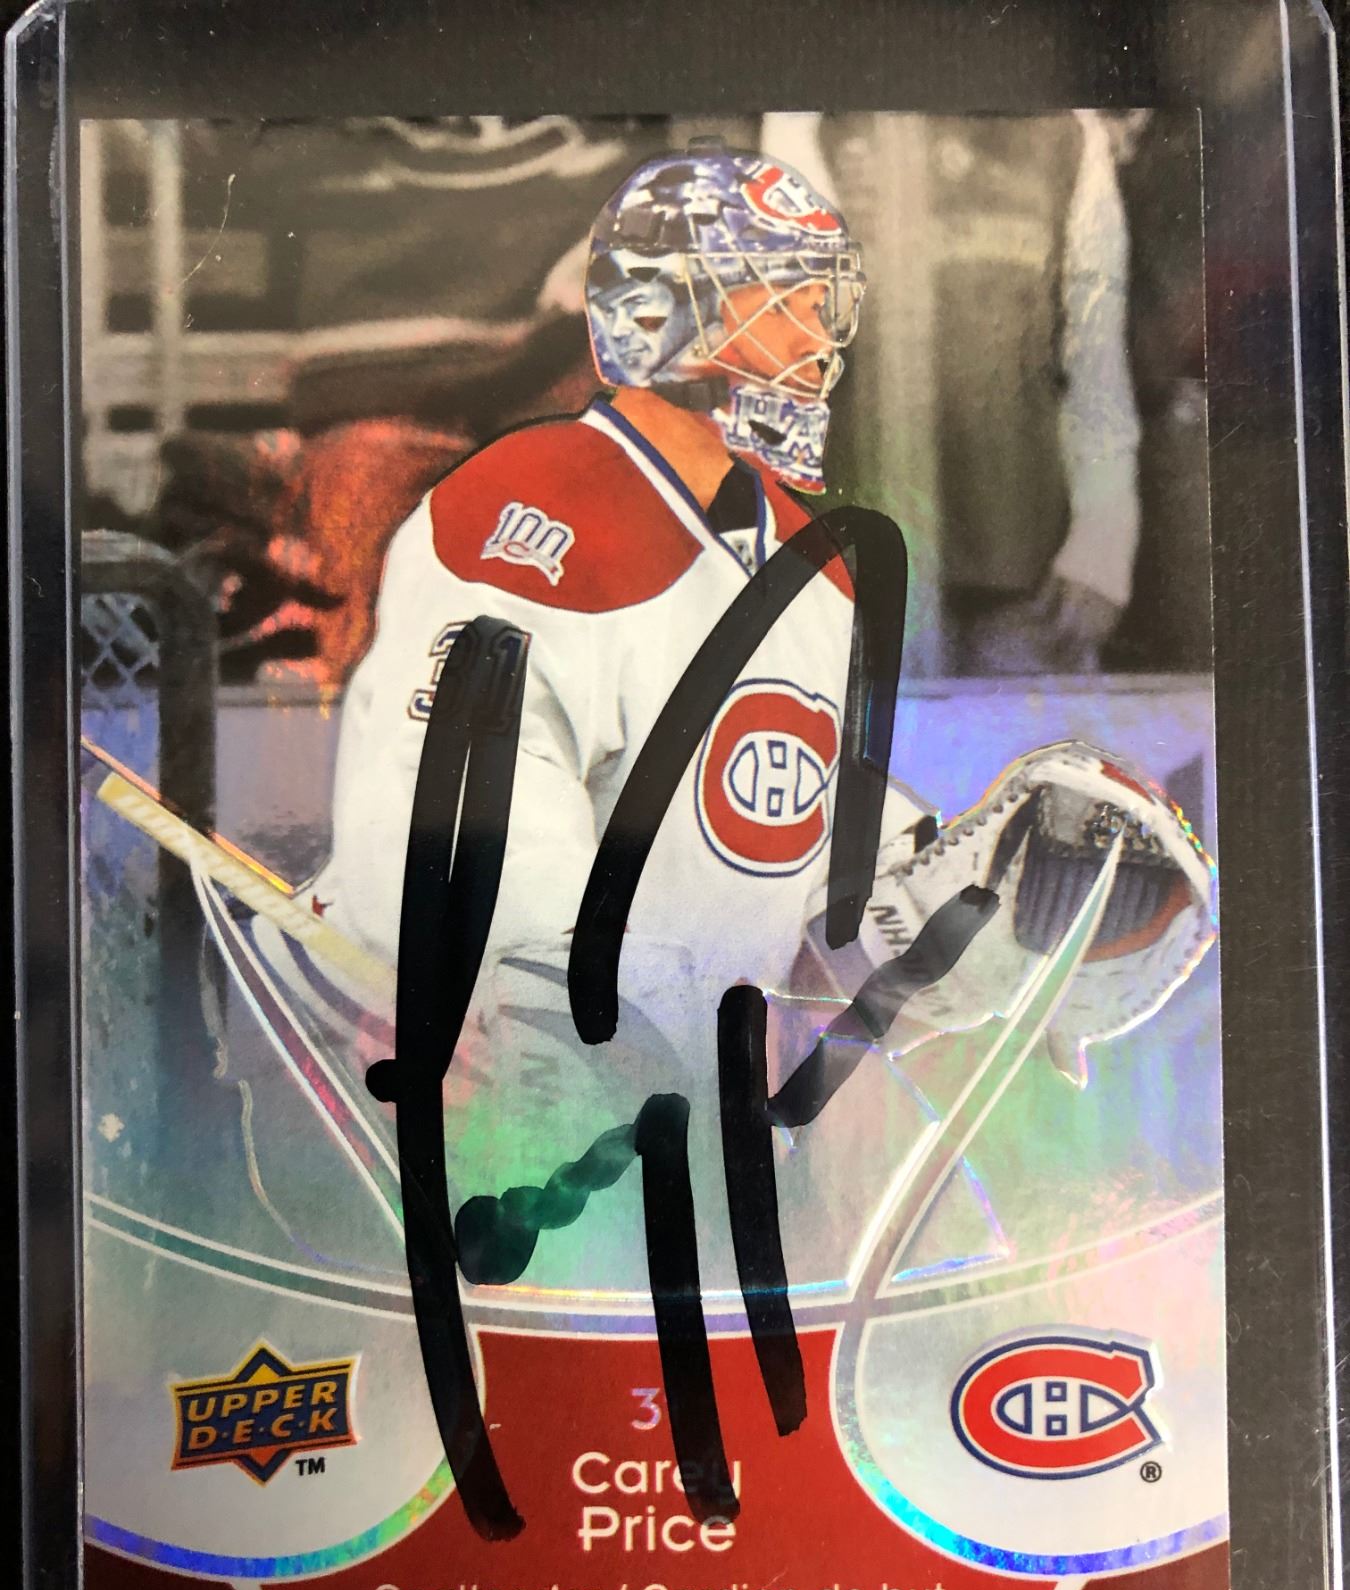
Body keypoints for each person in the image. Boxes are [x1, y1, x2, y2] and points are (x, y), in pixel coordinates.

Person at [284, 143, 1215, 1279]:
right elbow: (456, 788)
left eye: (827, 302)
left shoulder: (804, 560)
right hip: (468, 1092)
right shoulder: (529, 505)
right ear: (660, 320)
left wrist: (951, 915)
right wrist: (558, 1004)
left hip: (687, 1120)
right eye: (788, 301)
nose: (824, 340)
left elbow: (781, 818)